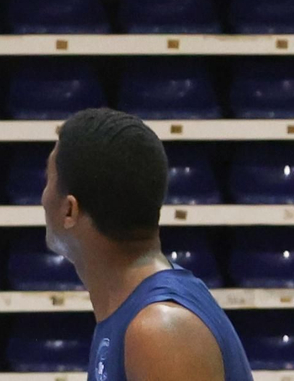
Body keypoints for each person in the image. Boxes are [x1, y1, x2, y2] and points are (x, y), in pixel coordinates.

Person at [42, 108, 254, 381]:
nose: (43, 196)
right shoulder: (133, 311)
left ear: (70, 210)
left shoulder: (159, 331)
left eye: (48, 180)